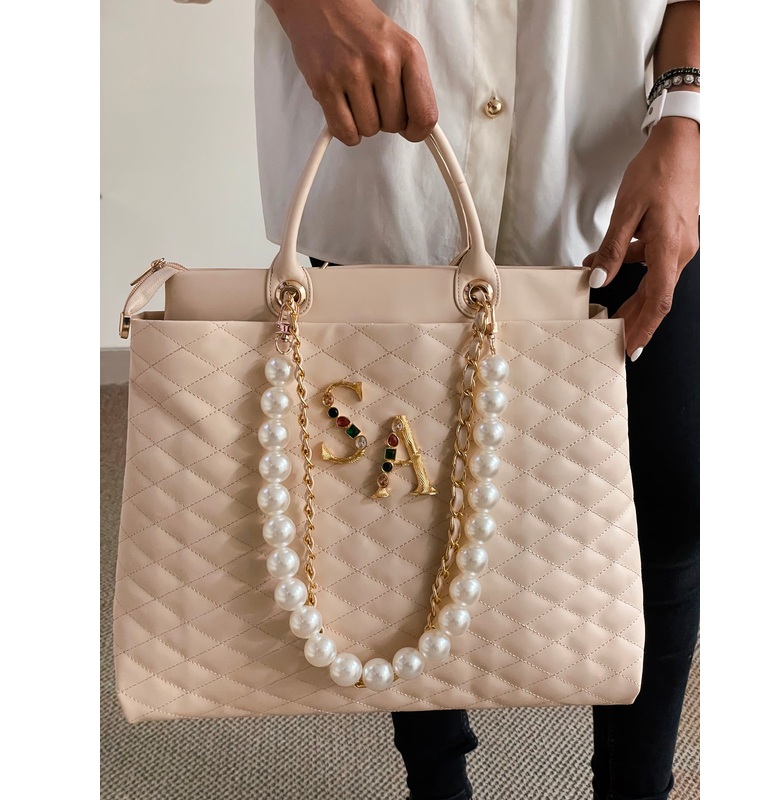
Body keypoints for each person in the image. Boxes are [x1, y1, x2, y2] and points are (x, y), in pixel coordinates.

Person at [177, 2, 700, 798]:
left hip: (621, 178)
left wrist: (689, 110)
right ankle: (437, 784)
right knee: (396, 520)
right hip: (383, 176)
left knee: (668, 504)